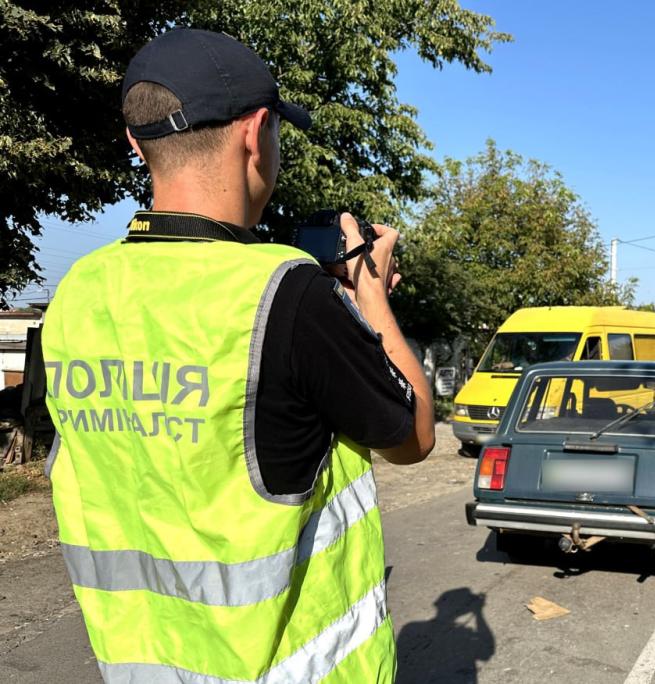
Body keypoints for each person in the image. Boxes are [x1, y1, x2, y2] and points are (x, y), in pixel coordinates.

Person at [41, 28, 434, 683]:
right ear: (256, 132)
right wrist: (372, 301)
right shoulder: (291, 294)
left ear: (137, 145)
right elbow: (414, 436)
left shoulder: (78, 292)